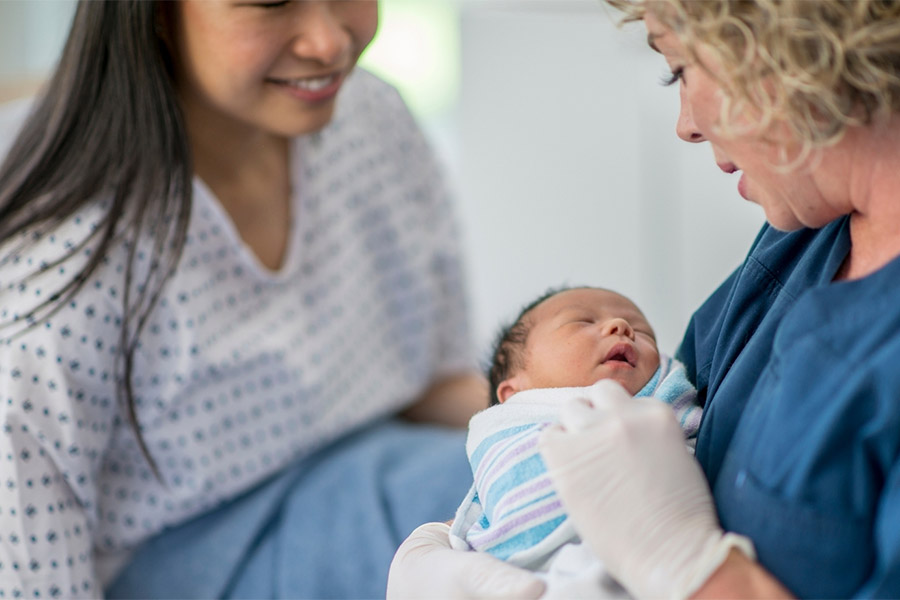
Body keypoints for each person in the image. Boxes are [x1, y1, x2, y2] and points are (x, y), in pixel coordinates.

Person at [387, 0, 900, 598]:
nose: (685, 125)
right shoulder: (802, 237)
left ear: (791, 47)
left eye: (679, 68)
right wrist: (477, 542)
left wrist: (694, 570)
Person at [0, 2, 486, 598]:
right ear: (154, 13)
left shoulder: (370, 116)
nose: (329, 42)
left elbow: (432, 385)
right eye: (270, 2)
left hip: (373, 473)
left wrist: (560, 406)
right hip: (186, 560)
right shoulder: (66, 276)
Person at [448, 287, 703, 598]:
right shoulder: (507, 429)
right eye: (581, 322)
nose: (620, 326)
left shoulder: (663, 402)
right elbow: (495, 510)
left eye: (642, 331)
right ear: (514, 393)